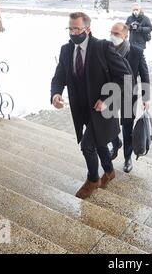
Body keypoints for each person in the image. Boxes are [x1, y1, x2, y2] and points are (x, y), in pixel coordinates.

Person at [50, 12, 131, 199]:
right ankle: (109, 172)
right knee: (100, 141)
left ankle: (93, 179)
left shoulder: (102, 47)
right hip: (82, 110)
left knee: (88, 146)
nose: (72, 32)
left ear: (87, 29)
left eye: (76, 28)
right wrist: (55, 94)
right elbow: (59, 75)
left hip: (102, 108)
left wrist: (106, 98)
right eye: (69, 28)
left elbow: (125, 77)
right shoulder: (66, 50)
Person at [109, 22, 151, 173]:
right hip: (110, 92)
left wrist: (146, 97)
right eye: (111, 32)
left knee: (127, 127)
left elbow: (145, 74)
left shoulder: (136, 51)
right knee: (108, 122)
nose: (112, 36)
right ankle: (115, 143)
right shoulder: (105, 48)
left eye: (116, 34)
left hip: (129, 94)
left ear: (125, 36)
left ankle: (127, 158)